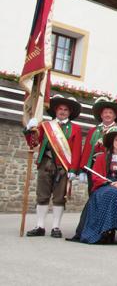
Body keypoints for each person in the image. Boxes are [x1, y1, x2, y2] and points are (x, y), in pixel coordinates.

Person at [24, 95, 83, 238]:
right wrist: (29, 129)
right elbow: (33, 142)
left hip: (63, 166)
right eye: (60, 109)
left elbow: (76, 151)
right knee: (42, 195)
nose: (62, 111)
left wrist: (73, 170)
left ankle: (56, 227)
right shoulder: (45, 125)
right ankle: (40, 226)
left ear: (70, 112)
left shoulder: (75, 128)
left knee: (59, 197)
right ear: (55, 111)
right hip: (46, 163)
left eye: (66, 109)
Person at [80, 127, 117, 244]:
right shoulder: (101, 158)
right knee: (112, 193)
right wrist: (107, 182)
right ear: (112, 142)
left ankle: (106, 229)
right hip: (103, 187)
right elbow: (95, 178)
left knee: (115, 194)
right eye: (116, 140)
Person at [80, 97, 117, 179]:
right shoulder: (93, 131)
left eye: (110, 113)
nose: (107, 115)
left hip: (110, 167)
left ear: (115, 116)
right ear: (101, 115)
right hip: (93, 166)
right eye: (105, 112)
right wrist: (82, 169)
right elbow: (87, 150)